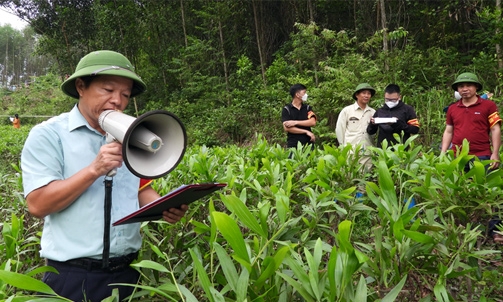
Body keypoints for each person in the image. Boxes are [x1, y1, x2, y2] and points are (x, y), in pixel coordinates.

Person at [21, 50, 188, 301]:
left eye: (125, 95)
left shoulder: (132, 135)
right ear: (81, 86)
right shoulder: (49, 135)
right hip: (72, 276)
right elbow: (38, 203)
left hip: (127, 274)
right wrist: (94, 170)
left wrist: (164, 207)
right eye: (107, 90)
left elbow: (142, 191)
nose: (117, 101)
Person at [441, 72, 501, 170]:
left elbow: (495, 129)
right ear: (457, 89)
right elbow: (448, 131)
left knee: (482, 183)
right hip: (458, 157)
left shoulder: (489, 106)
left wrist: (495, 153)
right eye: (461, 86)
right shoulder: (452, 108)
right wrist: (443, 153)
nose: (465, 89)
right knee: (458, 184)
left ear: (476, 87)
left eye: (469, 85)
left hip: (482, 155)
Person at [335, 83, 376, 171]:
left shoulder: (373, 112)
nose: (367, 96)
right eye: (364, 93)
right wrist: (343, 147)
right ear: (357, 95)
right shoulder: (347, 111)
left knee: (366, 178)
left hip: (367, 151)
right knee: (350, 177)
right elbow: (340, 129)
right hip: (351, 151)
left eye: (369, 93)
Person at [367, 84, 420, 148]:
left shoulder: (407, 110)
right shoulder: (380, 111)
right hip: (383, 150)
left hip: (401, 149)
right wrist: (373, 123)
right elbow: (370, 131)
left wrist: (397, 124)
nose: (389, 102)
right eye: (387, 99)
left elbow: (415, 129)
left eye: (393, 100)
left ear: (399, 97)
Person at [282, 83, 317, 149]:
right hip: (293, 143)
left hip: (308, 143)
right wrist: (306, 131)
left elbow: (312, 122)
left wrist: (295, 122)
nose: (306, 95)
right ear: (297, 95)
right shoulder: (287, 109)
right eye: (304, 92)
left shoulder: (307, 108)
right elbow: (287, 128)